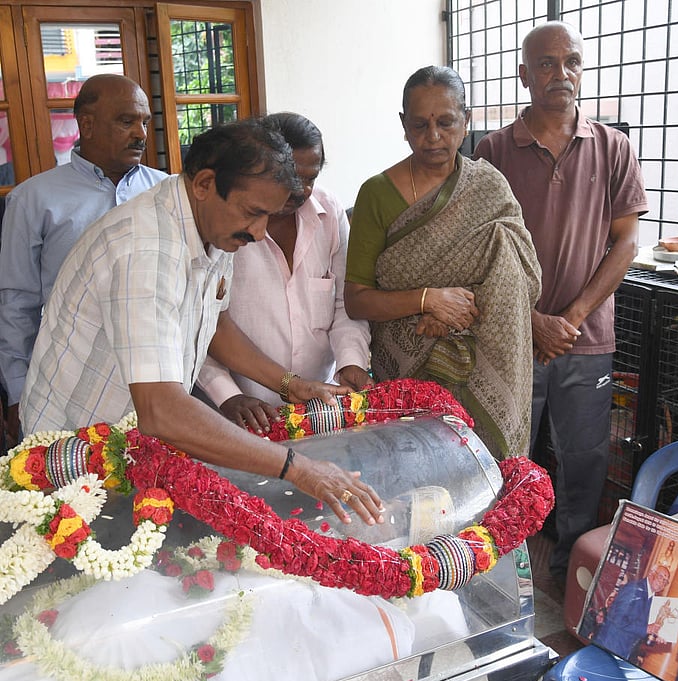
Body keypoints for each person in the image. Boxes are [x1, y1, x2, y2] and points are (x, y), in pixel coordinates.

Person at [20, 118, 383, 527]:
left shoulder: (210, 224)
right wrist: (299, 468)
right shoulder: (146, 250)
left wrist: (289, 383)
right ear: (204, 183)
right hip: (69, 456)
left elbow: (215, 325)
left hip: (131, 448)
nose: (260, 233)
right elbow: (162, 410)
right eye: (254, 213)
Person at [473, 22, 648, 581]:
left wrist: (570, 318)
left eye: (571, 61)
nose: (561, 74)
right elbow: (476, 254)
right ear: (523, 74)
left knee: (584, 456)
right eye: (546, 64)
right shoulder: (493, 149)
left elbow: (626, 241)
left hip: (586, 338)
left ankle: (574, 566)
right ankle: (504, 566)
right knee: (506, 448)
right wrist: (530, 321)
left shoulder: (613, 147)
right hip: (510, 335)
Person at [344, 65, 541, 459]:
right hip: (405, 375)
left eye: (446, 122)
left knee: (480, 486)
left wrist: (456, 310)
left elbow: (522, 273)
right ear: (403, 125)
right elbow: (357, 299)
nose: (433, 137)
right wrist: (427, 300)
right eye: (419, 125)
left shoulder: (489, 186)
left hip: (483, 361)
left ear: (466, 122)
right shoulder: (376, 194)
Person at [0, 74, 169, 446]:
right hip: (65, 388)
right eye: (126, 121)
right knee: (80, 498)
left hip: (158, 386)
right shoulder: (33, 199)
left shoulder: (167, 192)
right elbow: (17, 304)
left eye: (144, 121)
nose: (140, 133)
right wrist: (15, 393)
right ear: (87, 125)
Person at [196, 112, 372, 433]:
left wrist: (350, 362)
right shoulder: (225, 225)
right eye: (291, 178)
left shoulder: (330, 213)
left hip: (319, 406)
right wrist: (228, 395)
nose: (301, 190)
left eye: (311, 178)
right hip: (242, 410)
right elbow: (202, 322)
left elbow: (344, 304)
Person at [595, 565, 670, 660]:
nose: (662, 582)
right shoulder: (633, 589)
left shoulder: (653, 600)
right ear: (651, 573)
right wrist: (646, 629)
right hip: (608, 645)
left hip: (623, 652)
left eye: (665, 581)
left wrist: (656, 635)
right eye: (661, 577)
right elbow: (616, 618)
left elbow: (640, 628)